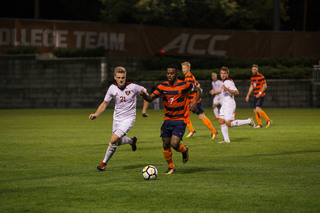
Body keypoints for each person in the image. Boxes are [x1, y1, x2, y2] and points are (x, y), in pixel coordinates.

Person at [140, 65, 201, 175]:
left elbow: (198, 90)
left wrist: (195, 101)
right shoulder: (162, 87)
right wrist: (144, 95)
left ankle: (184, 150)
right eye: (168, 73)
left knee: (175, 143)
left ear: (176, 75)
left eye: (172, 73)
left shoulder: (184, 84)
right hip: (167, 120)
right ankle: (171, 167)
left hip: (180, 120)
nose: (169, 75)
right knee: (165, 145)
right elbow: (150, 98)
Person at [89, 66, 149, 171]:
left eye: (123, 77)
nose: (121, 80)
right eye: (119, 77)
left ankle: (103, 164)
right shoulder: (112, 88)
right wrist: (96, 114)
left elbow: (146, 95)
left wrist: (144, 111)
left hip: (129, 119)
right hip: (117, 119)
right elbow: (104, 103)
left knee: (113, 140)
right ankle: (131, 141)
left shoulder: (133, 87)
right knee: (118, 142)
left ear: (125, 77)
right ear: (115, 78)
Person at [218, 66, 256, 143]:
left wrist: (227, 89)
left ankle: (248, 121)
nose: (223, 75)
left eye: (224, 73)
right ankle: (226, 140)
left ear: (227, 74)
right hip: (225, 104)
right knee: (221, 120)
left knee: (228, 123)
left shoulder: (229, 82)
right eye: (221, 73)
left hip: (229, 104)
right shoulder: (224, 82)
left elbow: (236, 92)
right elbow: (224, 91)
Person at [181, 61, 218, 139]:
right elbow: (198, 84)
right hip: (190, 100)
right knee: (184, 114)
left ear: (188, 68)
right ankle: (191, 130)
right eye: (182, 68)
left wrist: (185, 90)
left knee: (201, 116)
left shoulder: (188, 77)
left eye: (185, 68)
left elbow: (193, 88)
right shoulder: (190, 76)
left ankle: (214, 132)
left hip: (194, 101)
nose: (183, 70)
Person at [245, 64, 272, 128]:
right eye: (253, 69)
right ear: (251, 70)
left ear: (257, 70)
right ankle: (259, 124)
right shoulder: (252, 77)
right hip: (255, 95)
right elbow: (251, 86)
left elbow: (265, 86)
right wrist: (248, 95)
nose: (254, 71)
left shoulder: (261, 76)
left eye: (255, 69)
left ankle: (268, 120)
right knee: (255, 110)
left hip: (260, 95)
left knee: (258, 109)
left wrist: (260, 93)